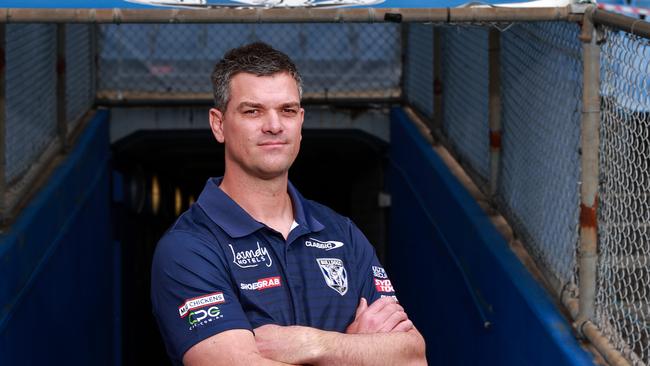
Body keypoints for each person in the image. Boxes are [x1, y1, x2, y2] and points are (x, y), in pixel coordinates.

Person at [151, 42, 426, 366]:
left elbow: (413, 357)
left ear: (301, 121)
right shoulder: (189, 248)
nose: (274, 125)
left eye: (287, 110)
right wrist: (357, 349)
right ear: (218, 124)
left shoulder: (342, 234)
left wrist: (314, 345)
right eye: (253, 111)